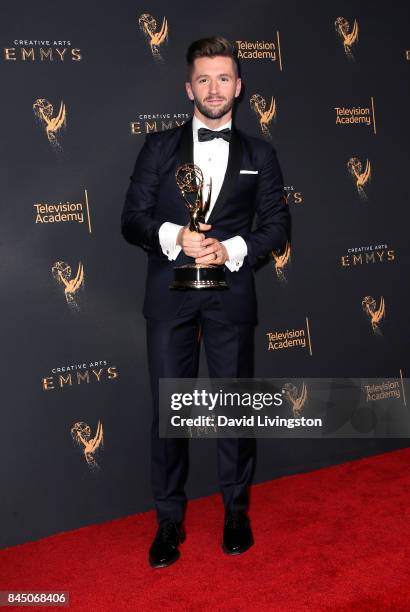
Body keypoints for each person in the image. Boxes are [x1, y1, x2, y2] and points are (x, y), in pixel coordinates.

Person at [121, 36, 290, 568]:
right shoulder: (158, 148)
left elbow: (278, 225)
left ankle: (235, 511)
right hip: (169, 298)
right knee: (170, 412)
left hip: (230, 297)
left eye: (223, 78)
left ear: (239, 87)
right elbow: (133, 219)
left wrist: (231, 248)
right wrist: (176, 235)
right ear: (188, 86)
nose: (213, 88)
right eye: (203, 78)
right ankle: (169, 521)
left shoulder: (261, 153)